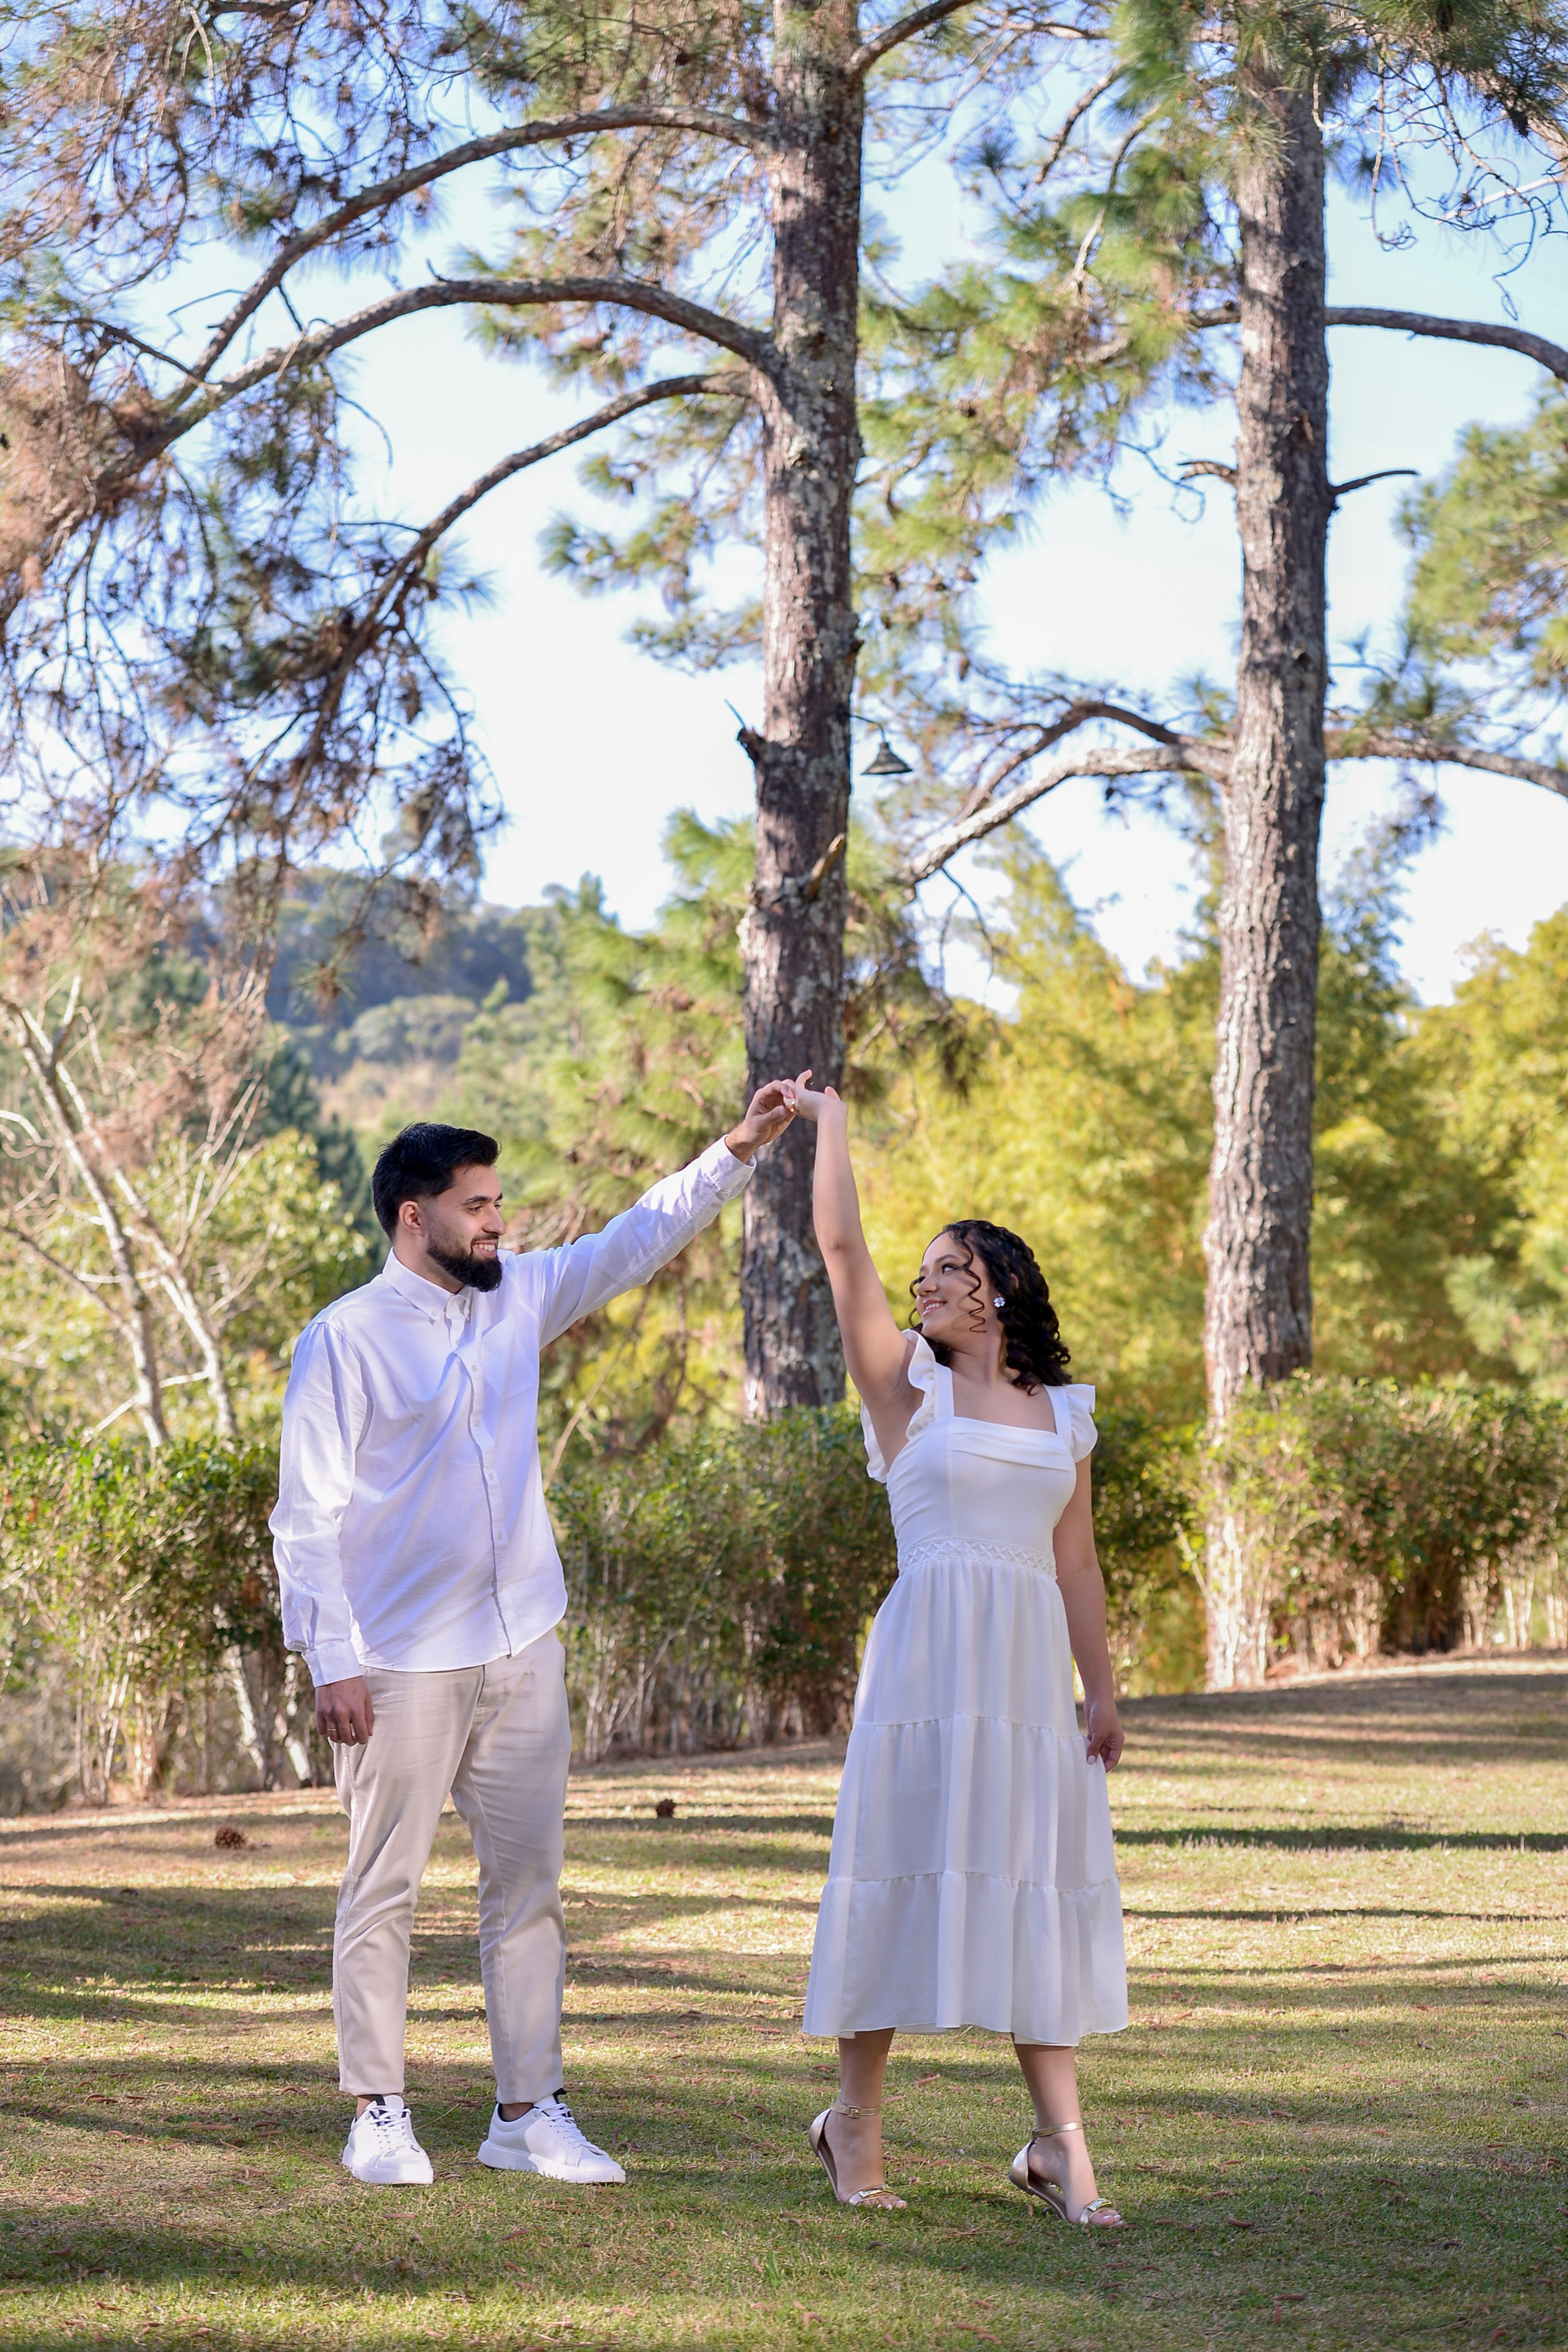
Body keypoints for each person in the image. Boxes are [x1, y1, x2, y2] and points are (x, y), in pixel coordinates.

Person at [270, 1091, 794, 2187]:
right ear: (414, 1218)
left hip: (524, 1647)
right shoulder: (344, 1339)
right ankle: (377, 2109)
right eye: (478, 1207)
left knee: (530, 1887)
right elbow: (306, 1515)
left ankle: (526, 2113)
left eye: (501, 1203)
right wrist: (333, 1659)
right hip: (400, 1663)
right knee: (385, 1887)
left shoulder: (518, 1300)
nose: (499, 1224)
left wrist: (735, 1152)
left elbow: (632, 1242)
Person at [785, 1073, 1128, 2225]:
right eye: (923, 1271)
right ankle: (854, 2126)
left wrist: (1105, 1690)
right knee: (897, 1873)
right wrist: (830, 1122)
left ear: (1002, 1291)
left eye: (949, 1269)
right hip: (927, 1664)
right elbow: (842, 1249)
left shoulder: (1065, 1416)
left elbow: (1076, 1563)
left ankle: (1060, 2148)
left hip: (1028, 1677)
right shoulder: (905, 1389)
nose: (925, 1283)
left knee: (1031, 1886)